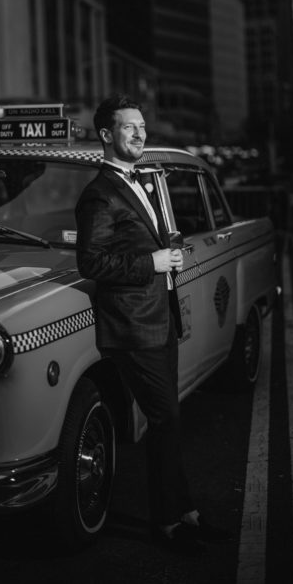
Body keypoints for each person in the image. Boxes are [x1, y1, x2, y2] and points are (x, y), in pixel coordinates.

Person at [75, 94, 229, 554]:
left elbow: (152, 240)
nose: (140, 134)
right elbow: (91, 261)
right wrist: (153, 261)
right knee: (165, 419)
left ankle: (184, 512)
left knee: (170, 419)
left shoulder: (143, 180)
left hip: (160, 318)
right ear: (107, 135)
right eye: (129, 128)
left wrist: (170, 246)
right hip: (132, 325)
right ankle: (166, 522)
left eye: (142, 126)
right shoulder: (99, 194)